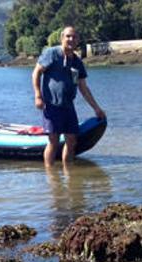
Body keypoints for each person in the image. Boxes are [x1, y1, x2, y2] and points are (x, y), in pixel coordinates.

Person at [32, 26, 106, 168]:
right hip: (52, 105)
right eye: (68, 36)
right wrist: (37, 95)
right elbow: (36, 73)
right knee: (53, 141)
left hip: (68, 107)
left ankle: (69, 173)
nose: (71, 39)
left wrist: (97, 108)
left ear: (78, 40)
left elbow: (83, 88)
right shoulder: (52, 54)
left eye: (74, 37)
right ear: (62, 38)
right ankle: (51, 175)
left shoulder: (77, 62)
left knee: (71, 141)